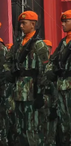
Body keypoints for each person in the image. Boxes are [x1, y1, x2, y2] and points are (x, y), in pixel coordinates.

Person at [5, 11, 49, 146]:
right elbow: (8, 61)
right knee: (20, 128)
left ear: (33, 24)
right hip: (18, 91)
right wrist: (8, 73)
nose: (21, 26)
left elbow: (45, 70)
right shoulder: (18, 43)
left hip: (32, 91)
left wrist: (42, 93)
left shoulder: (39, 44)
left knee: (32, 128)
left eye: (24, 23)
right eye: (20, 23)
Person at [46, 9, 71, 144]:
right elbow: (52, 60)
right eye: (62, 21)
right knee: (65, 124)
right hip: (62, 86)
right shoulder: (63, 43)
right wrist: (50, 71)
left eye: (66, 21)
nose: (63, 24)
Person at [42, 39, 57, 146]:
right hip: (40, 104)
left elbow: (55, 88)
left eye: (48, 48)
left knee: (51, 134)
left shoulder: (53, 65)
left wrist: (54, 107)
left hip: (50, 102)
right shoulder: (37, 64)